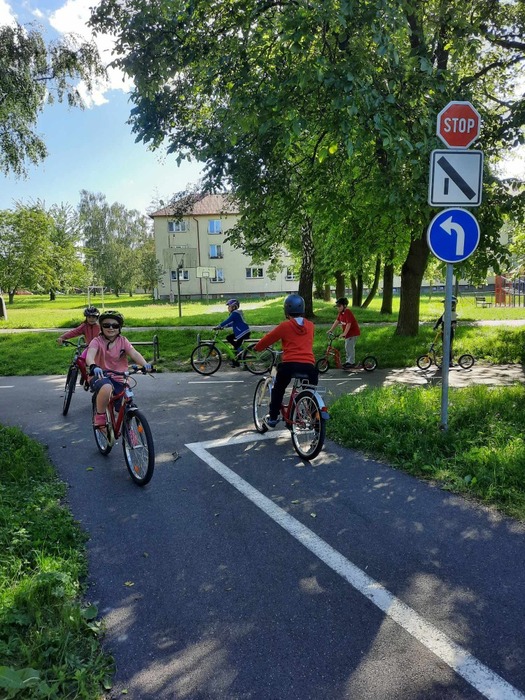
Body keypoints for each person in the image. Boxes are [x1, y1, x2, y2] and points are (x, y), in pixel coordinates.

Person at [254, 293, 318, 428]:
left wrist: (257, 348)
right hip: (309, 367)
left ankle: (273, 417)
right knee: (310, 393)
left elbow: (269, 338)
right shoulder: (311, 325)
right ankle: (315, 421)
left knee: (278, 389)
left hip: (290, 365)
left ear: (287, 310)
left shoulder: (285, 326)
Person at [85, 310, 152, 430]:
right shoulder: (97, 341)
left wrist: (145, 364)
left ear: (119, 328)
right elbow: (90, 355)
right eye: (106, 325)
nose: (111, 328)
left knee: (126, 403)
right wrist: (93, 366)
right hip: (100, 375)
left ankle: (129, 432)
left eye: (115, 326)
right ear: (101, 327)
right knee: (106, 388)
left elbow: (134, 353)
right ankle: (100, 416)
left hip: (120, 377)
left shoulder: (123, 340)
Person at [213, 299, 251, 367]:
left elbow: (227, 321)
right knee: (229, 338)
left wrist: (219, 326)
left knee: (236, 346)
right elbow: (232, 323)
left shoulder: (235, 314)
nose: (228, 308)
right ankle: (238, 354)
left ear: (234, 307)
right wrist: (223, 327)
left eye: (229, 306)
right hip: (241, 332)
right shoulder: (236, 313)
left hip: (242, 333)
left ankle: (237, 359)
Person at [327, 297, 360, 369]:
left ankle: (351, 362)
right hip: (348, 334)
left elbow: (349, 324)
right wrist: (331, 330)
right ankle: (348, 361)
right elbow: (337, 321)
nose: (338, 307)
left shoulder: (348, 312)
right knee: (347, 347)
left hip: (352, 333)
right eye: (337, 306)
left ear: (344, 306)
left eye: (339, 306)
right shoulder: (341, 313)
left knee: (349, 347)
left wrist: (344, 333)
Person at [434, 296, 458, 367]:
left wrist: (452, 325)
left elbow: (454, 323)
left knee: (448, 346)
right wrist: (436, 326)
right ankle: (445, 359)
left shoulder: (452, 313)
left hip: (449, 332)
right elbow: (440, 319)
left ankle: (449, 361)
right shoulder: (446, 312)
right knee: (445, 346)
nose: (444, 305)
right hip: (443, 331)